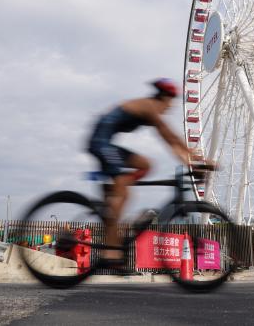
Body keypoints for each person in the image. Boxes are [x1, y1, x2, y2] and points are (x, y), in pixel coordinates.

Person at [87, 79, 211, 264]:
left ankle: (114, 198)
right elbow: (171, 138)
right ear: (163, 98)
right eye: (169, 103)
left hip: (105, 142)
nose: (169, 108)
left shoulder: (149, 108)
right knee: (123, 196)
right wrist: (198, 161)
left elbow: (173, 144)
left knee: (145, 165)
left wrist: (192, 163)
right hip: (100, 142)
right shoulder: (149, 106)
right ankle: (111, 251)